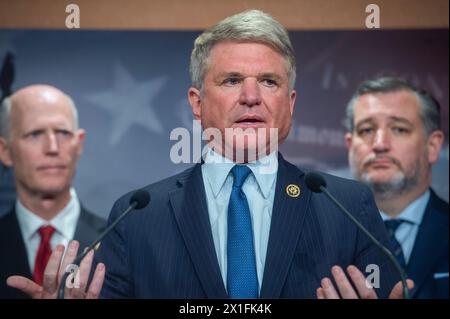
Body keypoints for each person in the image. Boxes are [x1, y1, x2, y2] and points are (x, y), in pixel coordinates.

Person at [6, 10, 408, 299]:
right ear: (196, 104)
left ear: (290, 103)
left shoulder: (348, 209)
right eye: (232, 80)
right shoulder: (138, 216)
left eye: (268, 81)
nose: (251, 97)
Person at [344, 77, 448, 299]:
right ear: (350, 146)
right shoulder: (313, 238)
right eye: (366, 130)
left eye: (399, 129)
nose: (380, 144)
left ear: (432, 146)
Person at [0, 84, 105, 298]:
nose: (53, 147)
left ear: (79, 144)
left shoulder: (119, 242)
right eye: (35, 134)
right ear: (5, 151)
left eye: (63, 133)